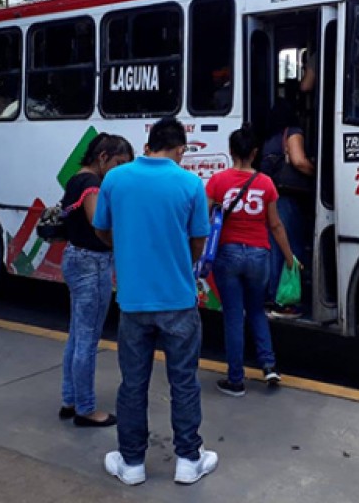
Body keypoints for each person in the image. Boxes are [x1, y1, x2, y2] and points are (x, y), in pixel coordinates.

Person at [93, 118, 218, 487]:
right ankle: (188, 459)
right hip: (179, 301)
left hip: (133, 302)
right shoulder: (191, 184)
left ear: (148, 144)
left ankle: (131, 464)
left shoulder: (115, 179)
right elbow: (198, 242)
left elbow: (102, 230)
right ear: (180, 149)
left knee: (133, 383)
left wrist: (128, 246)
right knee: (184, 382)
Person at [205, 124, 296, 397]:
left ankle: (235, 380)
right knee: (257, 311)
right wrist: (290, 258)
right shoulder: (266, 183)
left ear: (231, 151)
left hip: (228, 254)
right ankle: (268, 365)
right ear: (255, 153)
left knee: (233, 315)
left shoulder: (218, 181)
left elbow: (202, 216)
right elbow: (276, 225)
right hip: (259, 255)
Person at [59, 132, 134, 428]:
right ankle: (86, 408)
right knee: (88, 339)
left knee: (77, 335)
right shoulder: (91, 185)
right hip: (92, 262)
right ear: (102, 158)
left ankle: (70, 399)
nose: (120, 170)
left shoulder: (76, 179)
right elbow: (98, 223)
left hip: (75, 258)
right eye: (118, 163)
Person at [259, 98, 315, 319]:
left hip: (271, 196)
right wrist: (320, 174)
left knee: (274, 247)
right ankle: (287, 300)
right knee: (291, 247)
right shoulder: (292, 131)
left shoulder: (269, 139)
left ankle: (273, 296)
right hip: (288, 197)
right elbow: (299, 161)